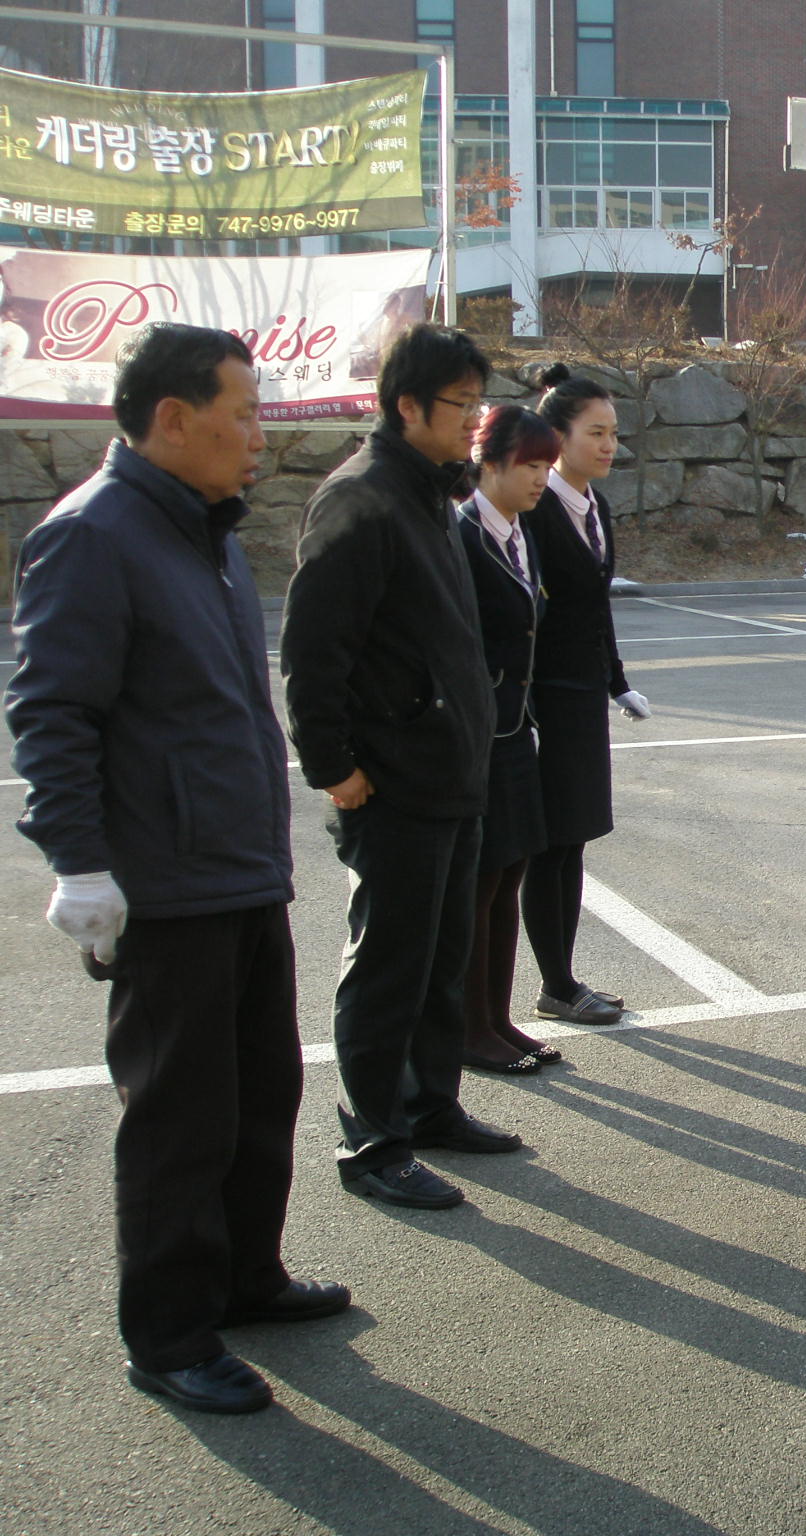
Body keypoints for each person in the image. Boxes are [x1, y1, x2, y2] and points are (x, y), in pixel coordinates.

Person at [7, 323, 348, 1415]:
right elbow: (52, 712)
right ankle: (168, 1333)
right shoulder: (93, 535)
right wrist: (80, 863)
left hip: (239, 869)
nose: (258, 435)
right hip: (166, 884)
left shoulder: (203, 531)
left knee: (261, 1091)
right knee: (178, 1117)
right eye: (242, 414)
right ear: (172, 418)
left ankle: (245, 1277)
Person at [279, 323, 521, 1212]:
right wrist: (332, 767)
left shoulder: (430, 494)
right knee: (387, 967)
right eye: (461, 404)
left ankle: (429, 1107)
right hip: (391, 782)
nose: (474, 420)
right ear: (407, 406)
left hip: (450, 775)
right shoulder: (363, 498)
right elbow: (313, 651)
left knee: (440, 959)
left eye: (479, 402)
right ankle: (374, 1142)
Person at [523, 364, 649, 1026]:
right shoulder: (535, 508)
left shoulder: (592, 505)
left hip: (581, 696)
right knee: (550, 843)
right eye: (595, 433)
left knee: (572, 839)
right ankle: (557, 984)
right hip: (542, 699)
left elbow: (597, 606)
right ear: (557, 437)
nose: (608, 446)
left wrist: (617, 681)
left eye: (613, 433)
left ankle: (562, 980)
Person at [456, 406, 563, 1074]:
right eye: (530, 465)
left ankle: (497, 1018)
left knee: (511, 873)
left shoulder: (523, 534)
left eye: (547, 466)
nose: (540, 479)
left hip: (518, 729)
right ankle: (470, 1028)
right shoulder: (461, 534)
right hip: (478, 736)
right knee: (481, 882)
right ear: (489, 461)